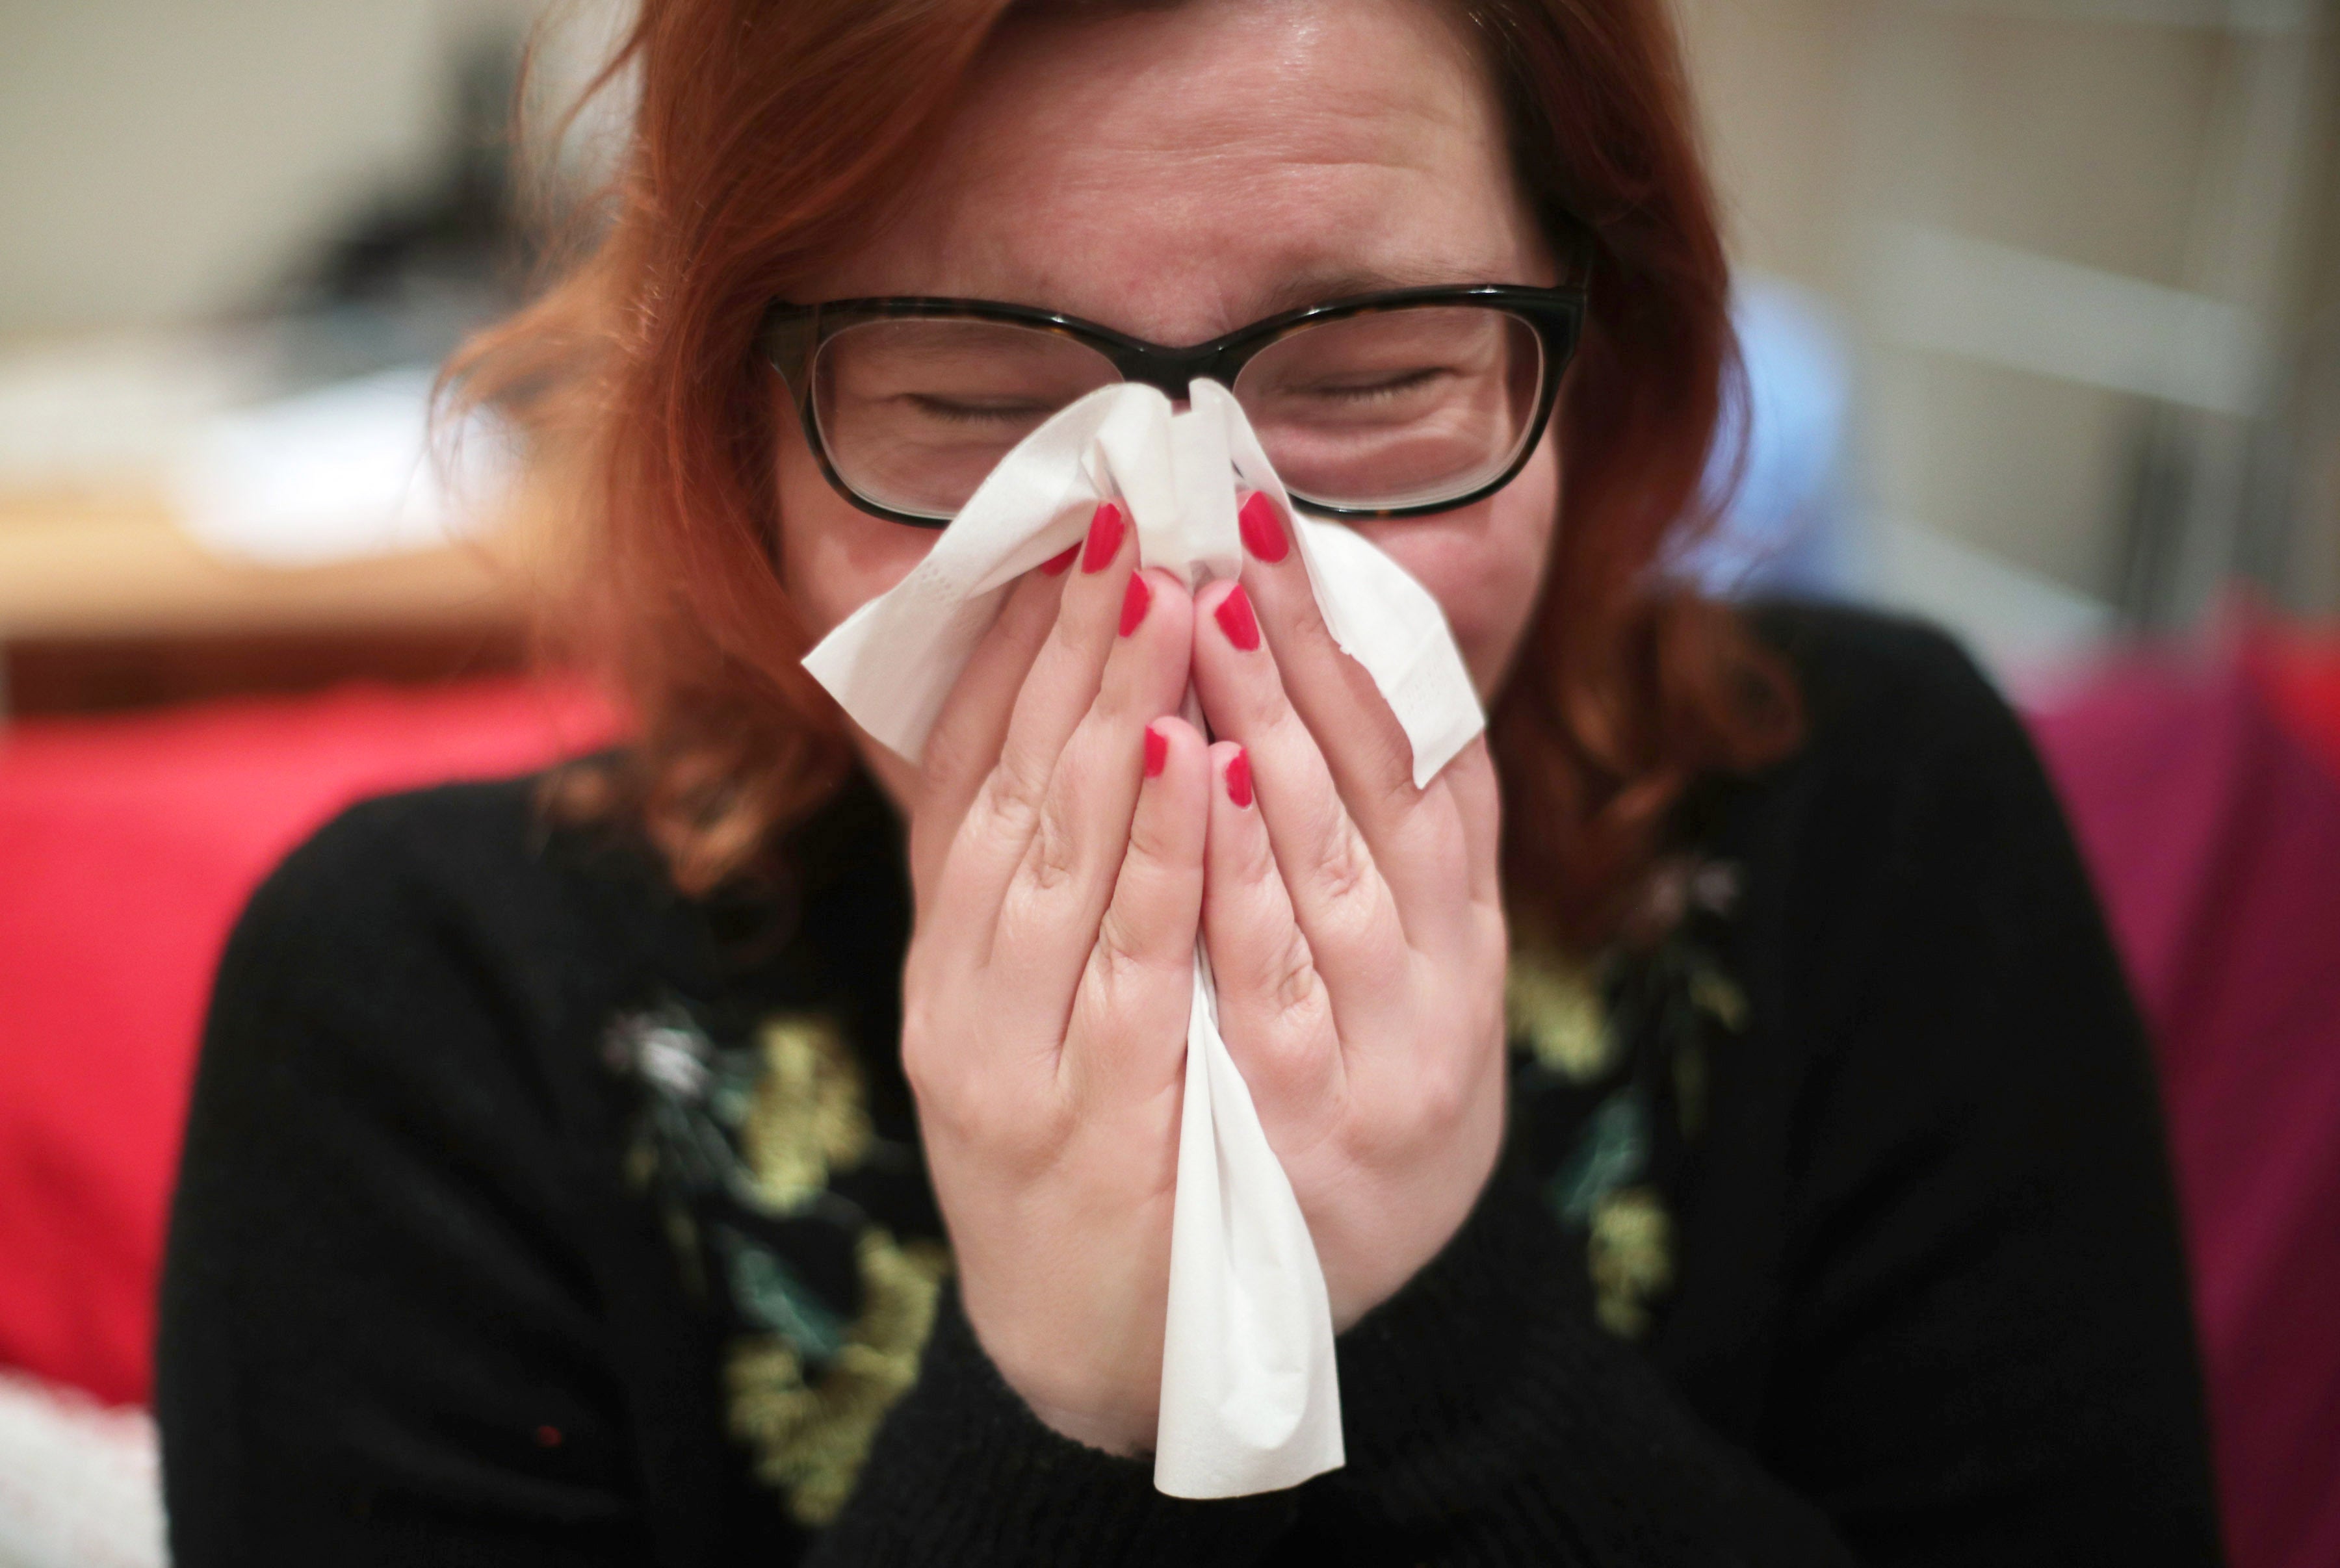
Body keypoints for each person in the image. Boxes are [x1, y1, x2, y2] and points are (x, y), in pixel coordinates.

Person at [155, 0, 2225, 1562]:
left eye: (1374, 378)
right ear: (745, 444)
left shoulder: (1871, 824)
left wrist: (1432, 1329)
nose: (1183, 550)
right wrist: (1050, 1403)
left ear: (1592, 357)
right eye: (977, 413)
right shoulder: (422, 1011)